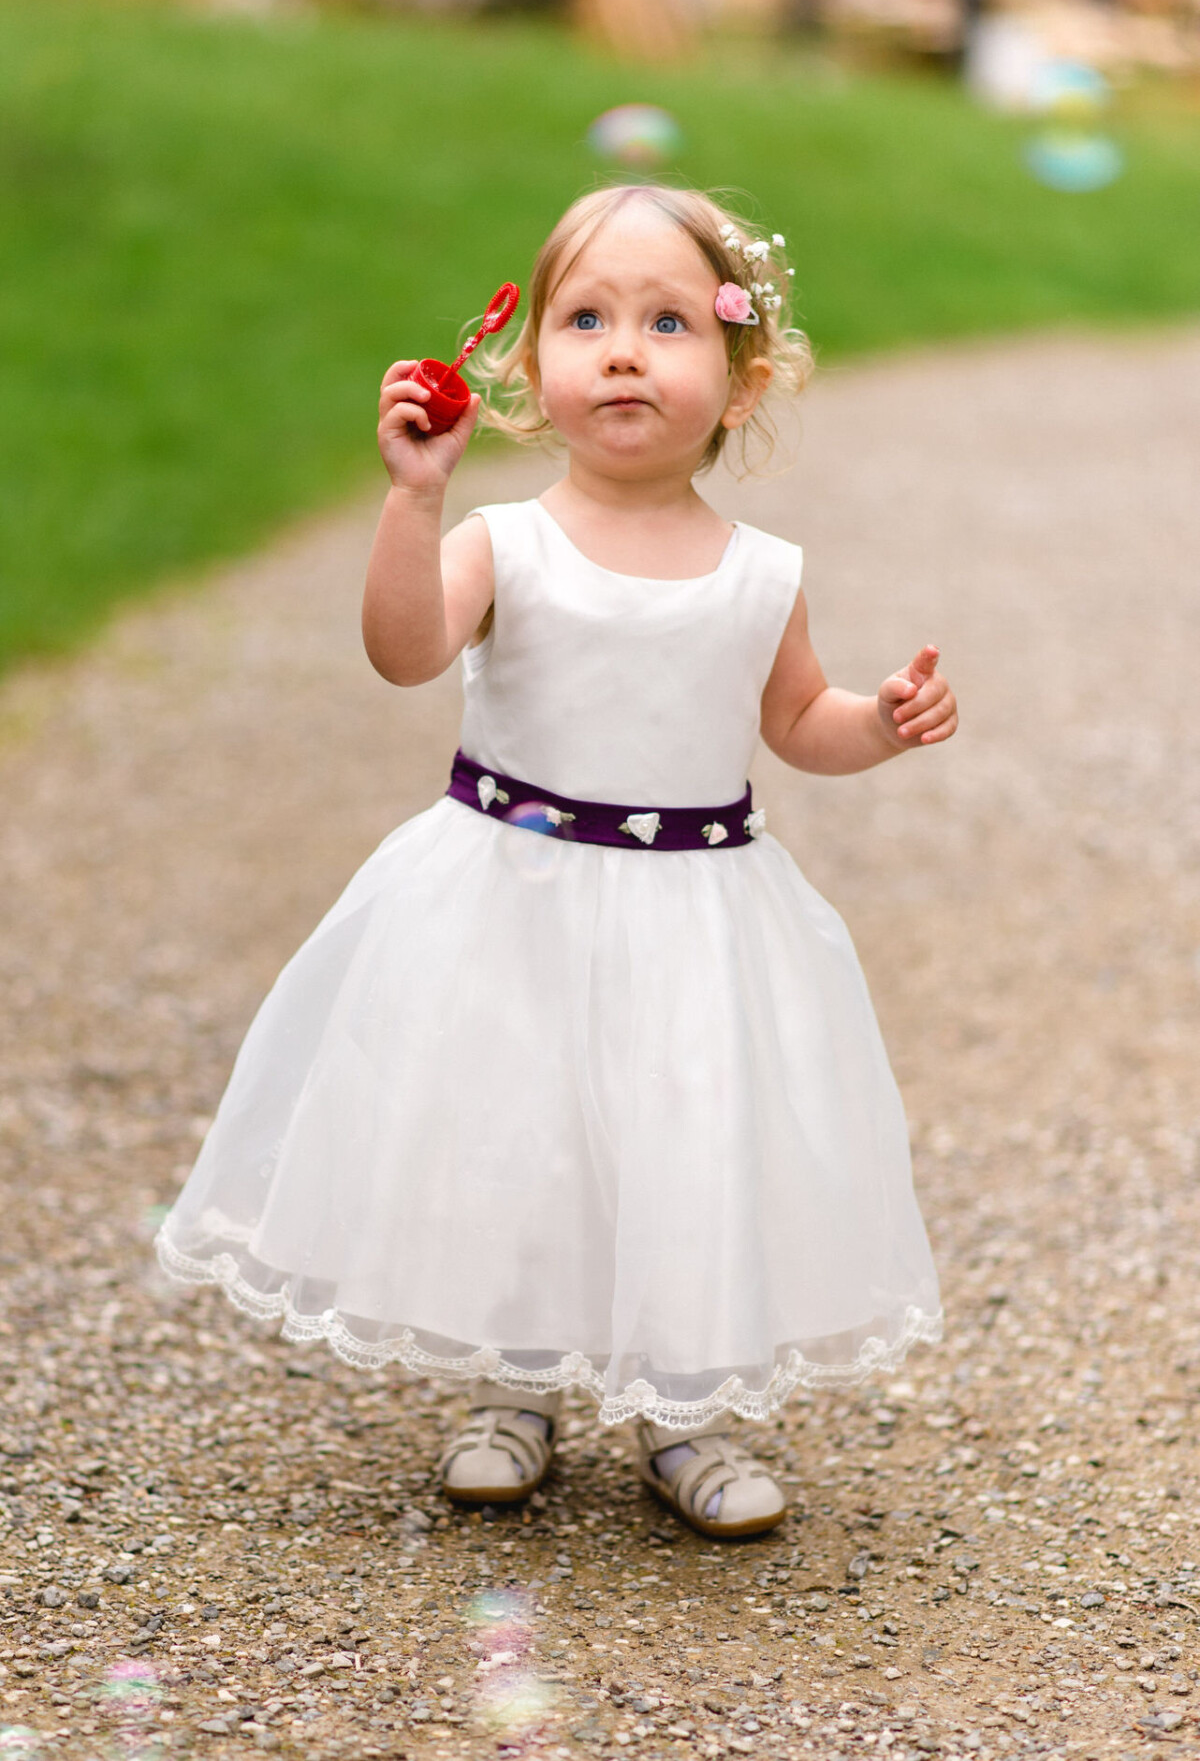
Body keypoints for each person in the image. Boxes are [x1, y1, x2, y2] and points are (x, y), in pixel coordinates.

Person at [155, 184, 956, 1540]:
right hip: (509, 896)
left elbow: (793, 723)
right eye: (587, 318)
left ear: (743, 376)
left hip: (696, 913)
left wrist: (876, 722)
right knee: (511, 1133)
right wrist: (416, 503)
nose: (626, 349)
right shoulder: (504, 543)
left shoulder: (761, 573)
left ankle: (686, 1404)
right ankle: (509, 1382)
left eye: (667, 322)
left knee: (685, 1140)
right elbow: (405, 651)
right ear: (530, 373)